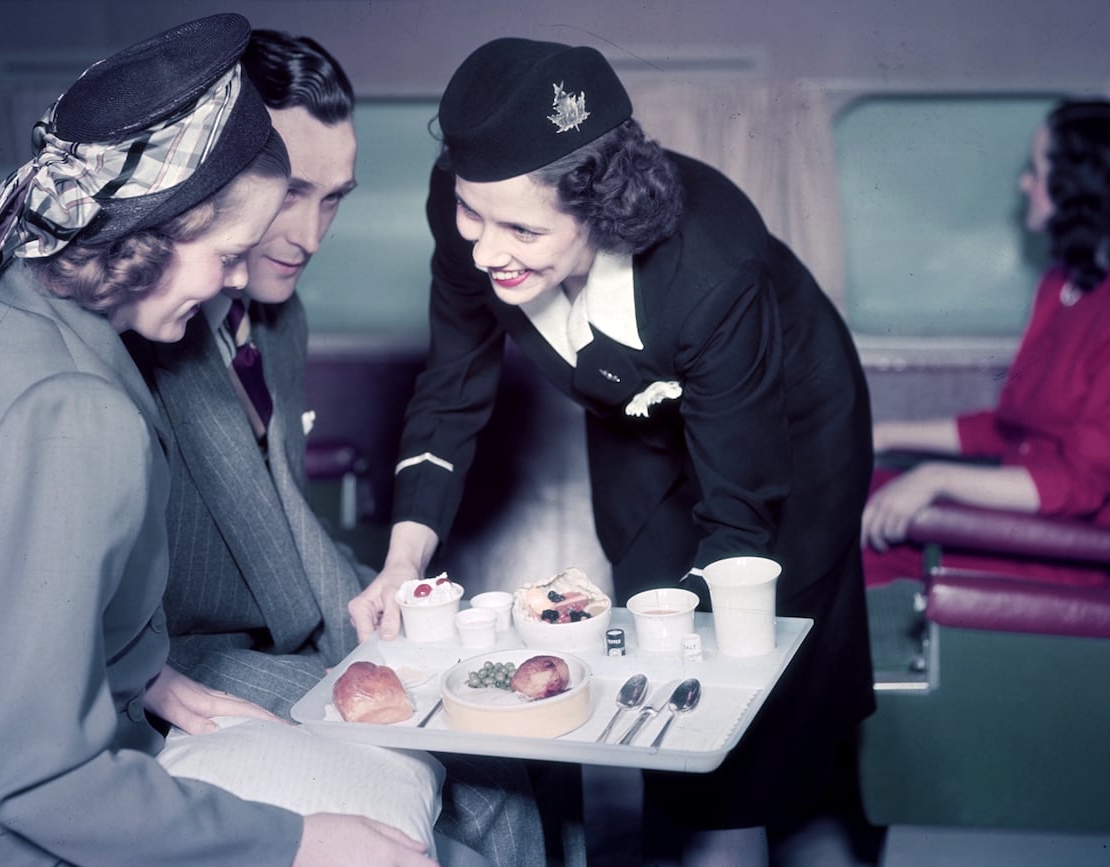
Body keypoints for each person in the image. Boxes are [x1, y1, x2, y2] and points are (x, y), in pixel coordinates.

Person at [0, 15, 436, 867]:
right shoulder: (76, 415)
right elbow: (39, 782)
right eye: (230, 252)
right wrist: (297, 841)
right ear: (155, 223)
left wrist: (143, 676)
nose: (241, 278)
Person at [348, 37, 877, 865]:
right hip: (635, 417)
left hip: (791, 421)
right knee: (650, 602)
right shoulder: (476, 212)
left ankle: (795, 828)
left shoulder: (713, 265)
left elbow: (737, 512)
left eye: (520, 228)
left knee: (757, 647)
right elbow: (452, 390)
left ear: (601, 207)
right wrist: (399, 561)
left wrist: (703, 645)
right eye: (470, 215)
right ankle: (686, 834)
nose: (486, 249)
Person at [125, 28, 545, 866]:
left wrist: (394, 607)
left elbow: (280, 504)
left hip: (279, 626)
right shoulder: (145, 323)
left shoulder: (277, 316)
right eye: (291, 193)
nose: (311, 234)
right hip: (183, 651)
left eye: (335, 198)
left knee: (530, 743)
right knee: (496, 772)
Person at [862, 98, 1110, 588]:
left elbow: (1081, 484)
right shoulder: (1062, 286)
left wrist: (935, 478)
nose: (1024, 185)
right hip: (1020, 514)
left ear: (1081, 187)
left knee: (839, 544)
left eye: (1036, 170)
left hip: (1064, 546)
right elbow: (1011, 429)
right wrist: (883, 434)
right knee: (847, 491)